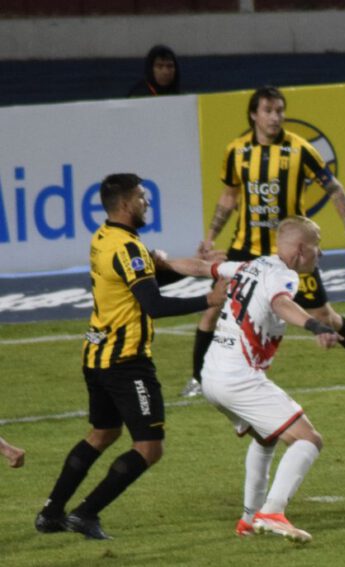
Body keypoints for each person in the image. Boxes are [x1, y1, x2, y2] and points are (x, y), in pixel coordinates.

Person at [34, 173, 224, 540]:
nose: (147, 202)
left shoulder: (104, 238)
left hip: (96, 356)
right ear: (124, 204)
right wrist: (208, 300)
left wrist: (191, 272)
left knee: (102, 434)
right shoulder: (129, 248)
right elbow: (152, 304)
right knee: (149, 447)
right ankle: (86, 513)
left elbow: (142, 286)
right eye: (141, 197)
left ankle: (51, 512)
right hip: (126, 363)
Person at [185, 85, 345, 398]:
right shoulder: (236, 150)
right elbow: (229, 195)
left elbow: (334, 189)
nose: (276, 117)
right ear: (254, 114)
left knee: (323, 316)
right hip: (246, 247)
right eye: (268, 111)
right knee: (213, 309)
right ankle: (197, 378)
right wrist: (209, 238)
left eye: (279, 110)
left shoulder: (300, 149)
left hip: (293, 251)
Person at [203, 216, 339, 543]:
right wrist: (315, 326)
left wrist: (160, 262)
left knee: (266, 437)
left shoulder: (249, 265)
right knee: (308, 439)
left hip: (212, 375)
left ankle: (250, 519)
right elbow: (281, 303)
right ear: (301, 248)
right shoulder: (283, 275)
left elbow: (197, 267)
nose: (319, 255)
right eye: (317, 247)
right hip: (238, 378)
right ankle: (273, 512)